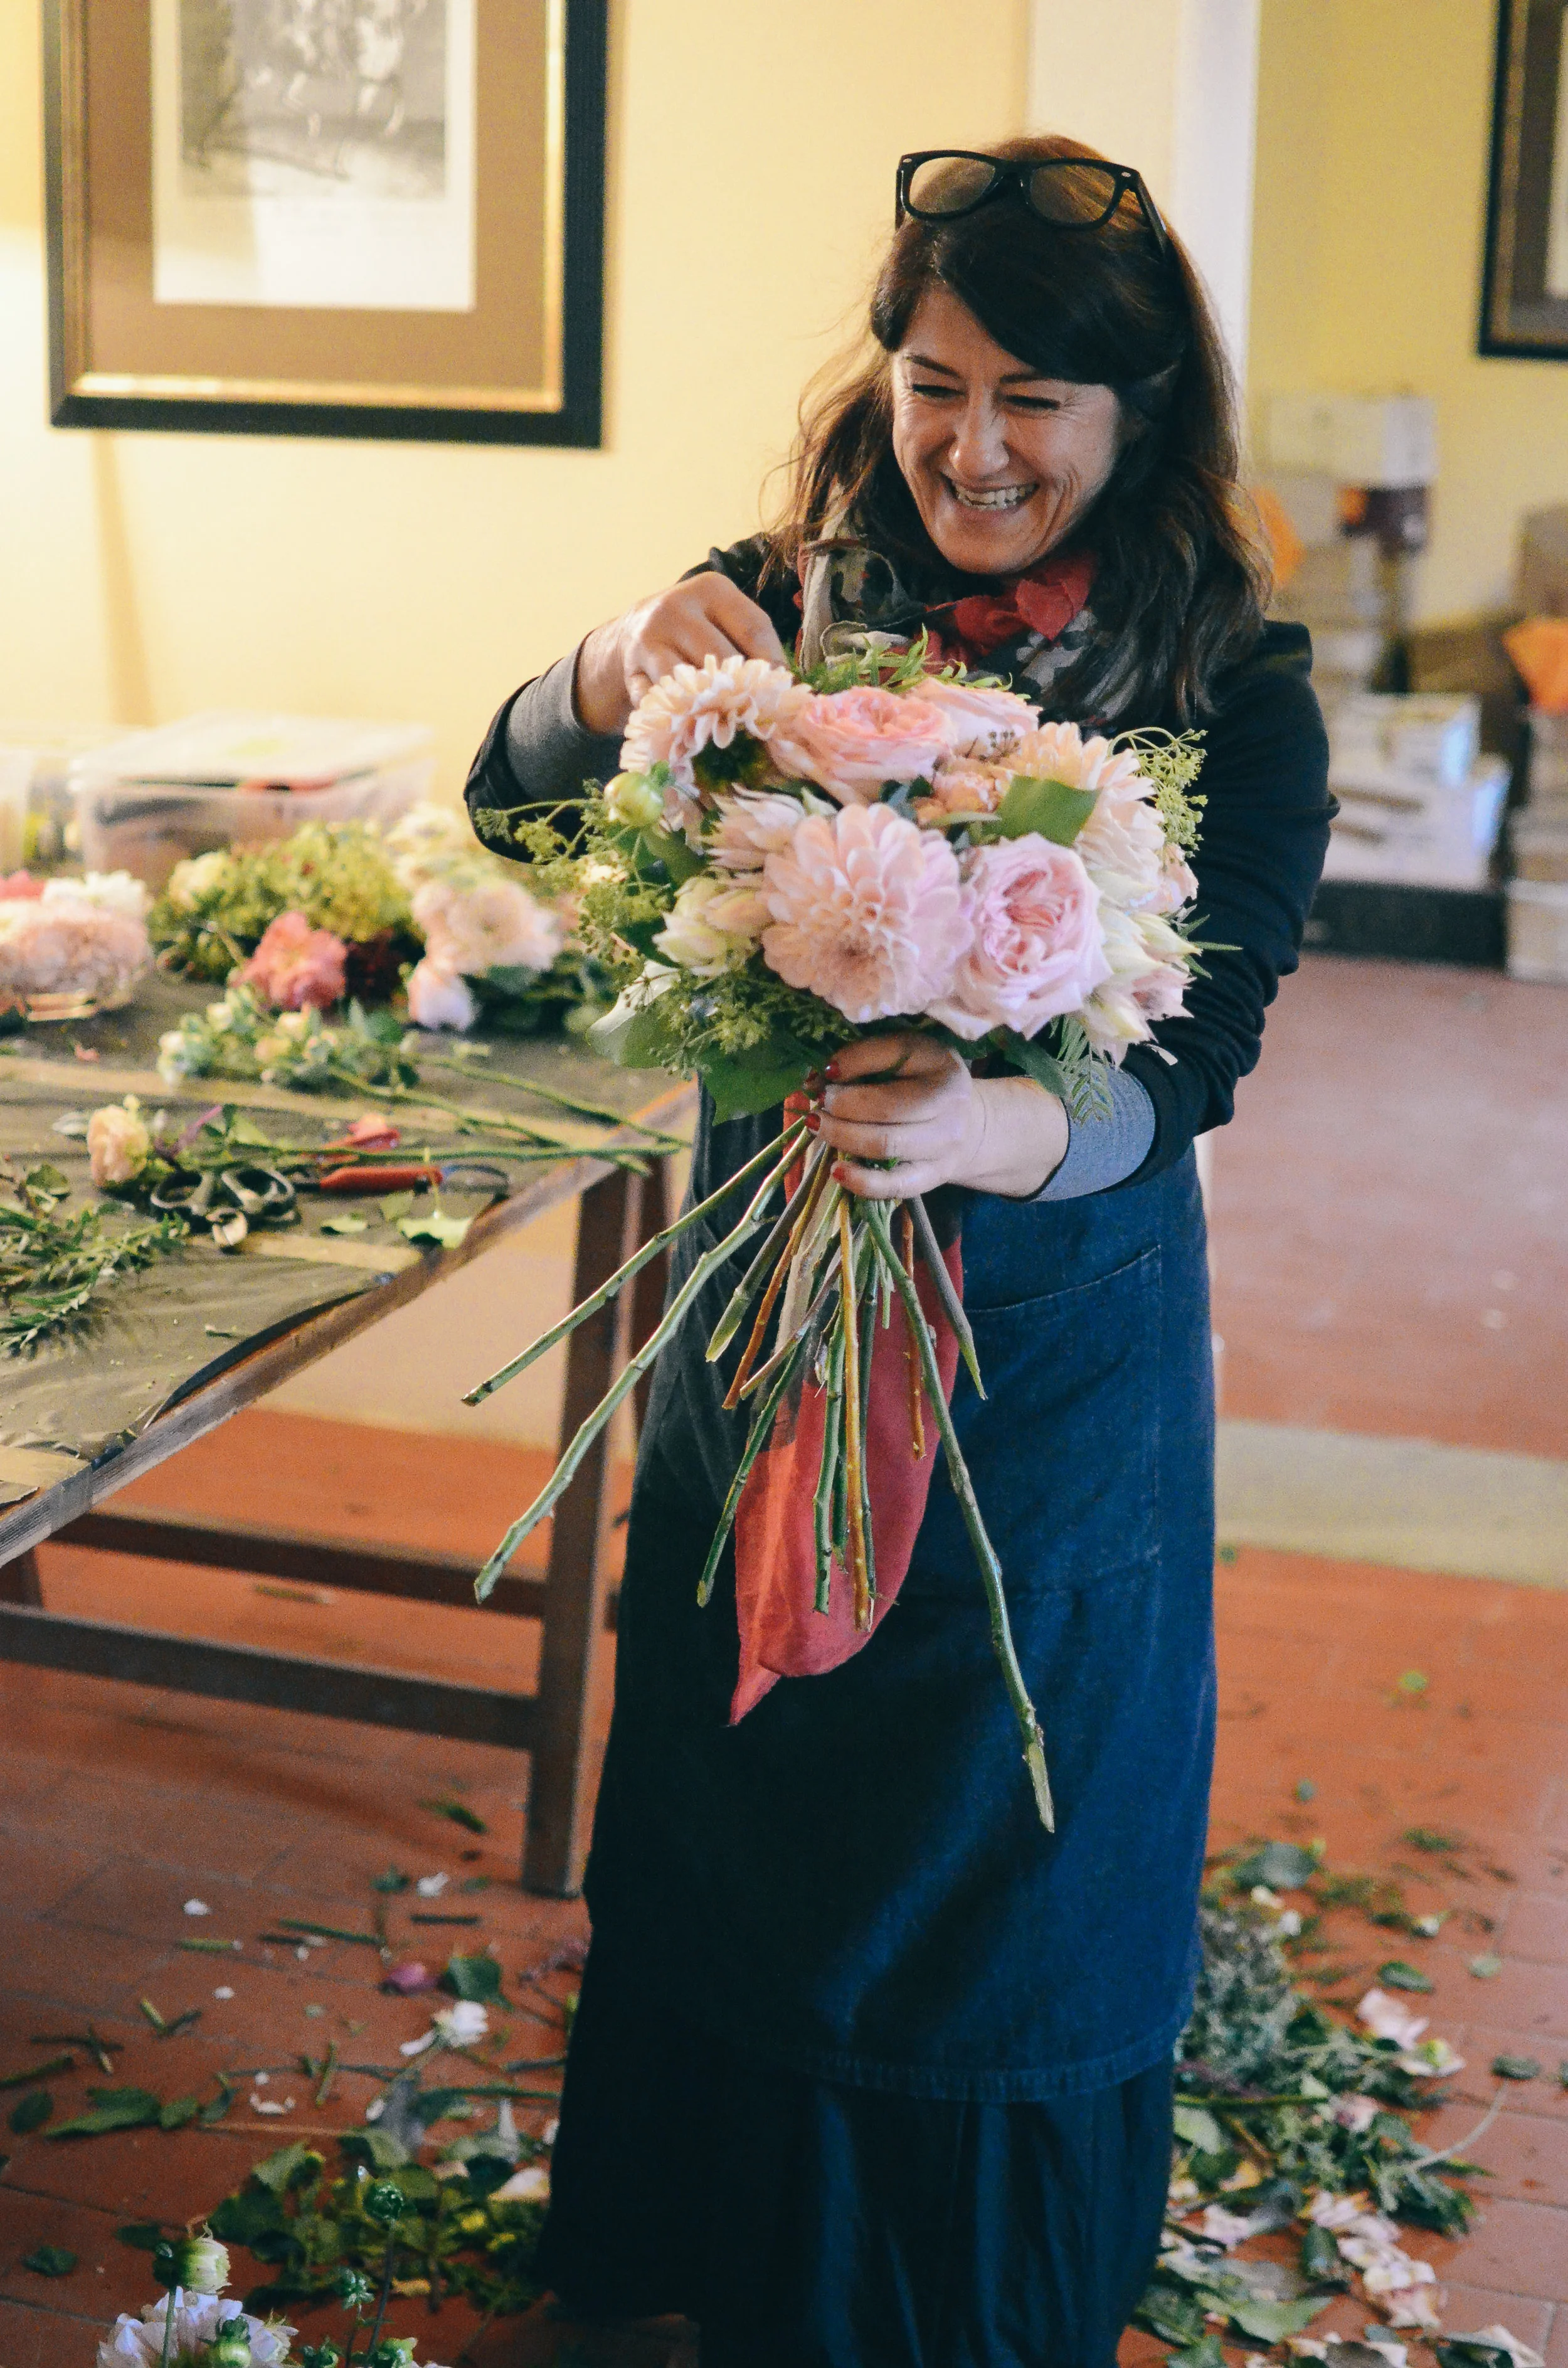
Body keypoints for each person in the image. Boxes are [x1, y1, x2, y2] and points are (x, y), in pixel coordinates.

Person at [467, 134, 1332, 2368]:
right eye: (936, 382)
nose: (972, 446)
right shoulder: (780, 596)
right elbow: (512, 790)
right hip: (764, 1313)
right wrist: (602, 668)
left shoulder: (1230, 683)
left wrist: (1004, 1120)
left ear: (1138, 418)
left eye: (1035, 399)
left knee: (994, 1843)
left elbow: (1198, 1048)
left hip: (1043, 1363)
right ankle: (697, 2249)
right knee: (740, 1787)